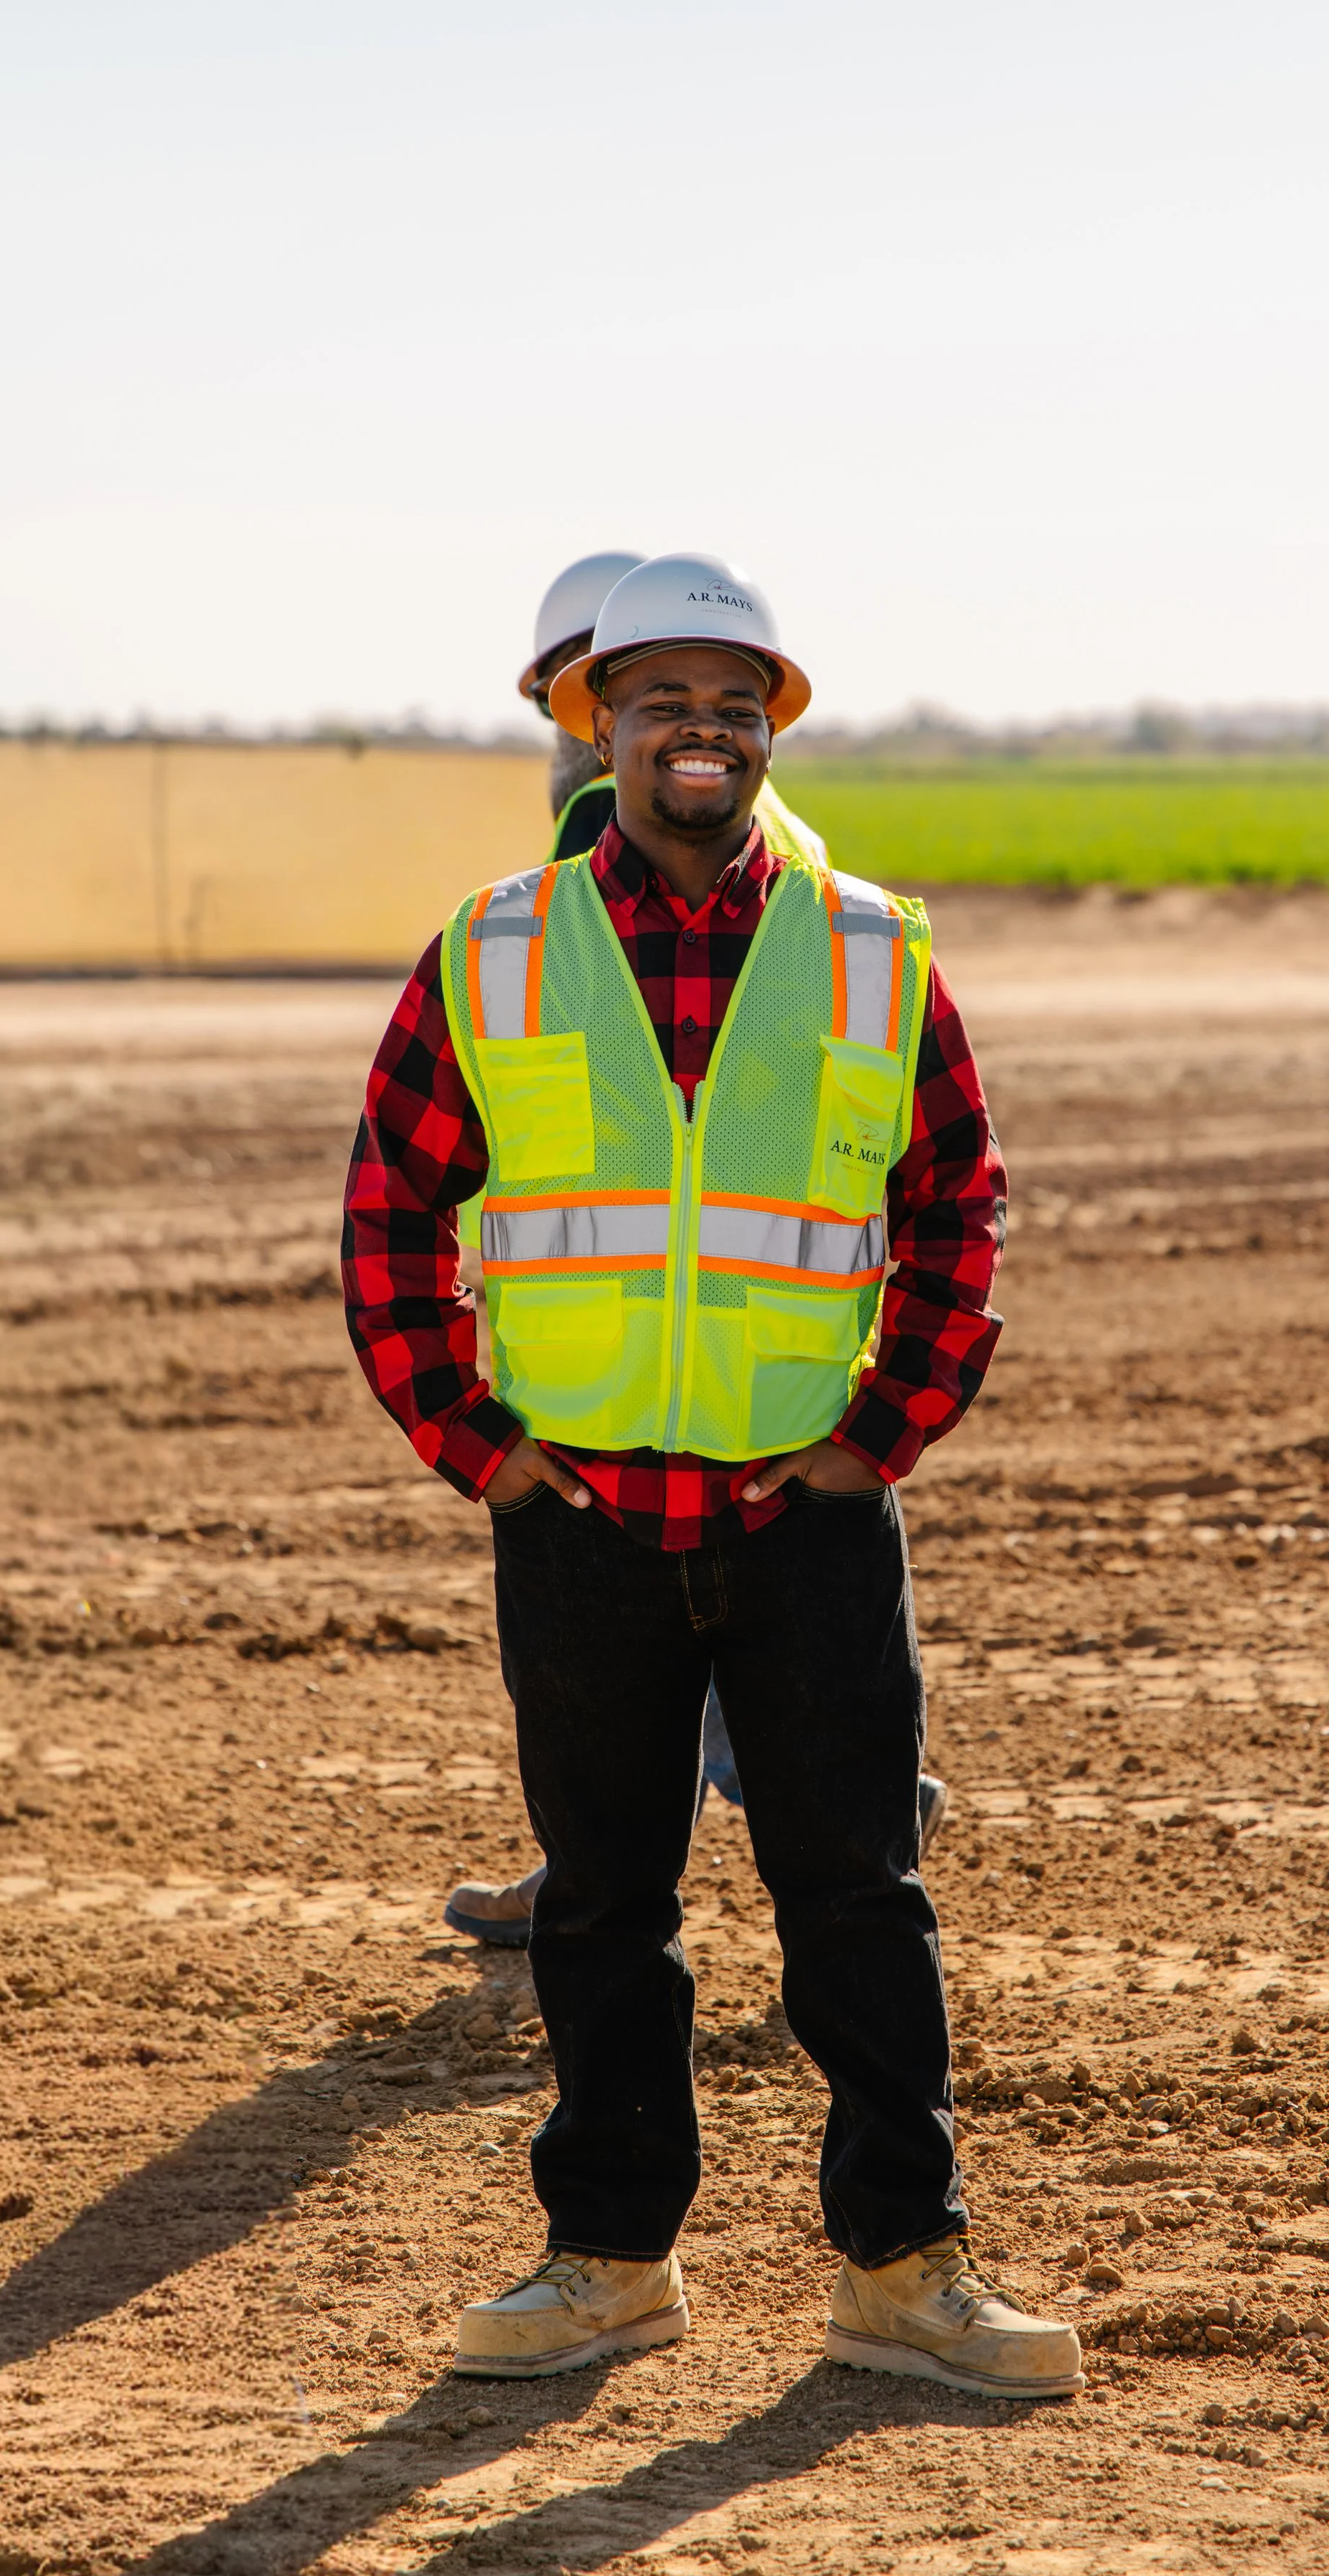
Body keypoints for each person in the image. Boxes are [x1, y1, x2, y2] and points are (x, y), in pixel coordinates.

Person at [343, 553, 1080, 2399]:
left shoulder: (870, 948)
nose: (704, 731)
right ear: (598, 721)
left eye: (738, 703)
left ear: (774, 733)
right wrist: (478, 1451)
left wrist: (872, 1442)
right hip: (581, 1525)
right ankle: (604, 2261)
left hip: (802, 1521)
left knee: (857, 1902)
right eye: (664, 698)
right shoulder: (496, 947)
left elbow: (957, 1209)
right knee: (601, 1911)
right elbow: (387, 1213)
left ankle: (904, 2274)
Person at [444, 553, 946, 1950]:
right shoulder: (750, 802)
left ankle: (655, 1854)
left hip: (644, 1341)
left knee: (663, 1629)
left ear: (568, 692)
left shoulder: (597, 815)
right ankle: (798, 1815)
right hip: (765, 1345)